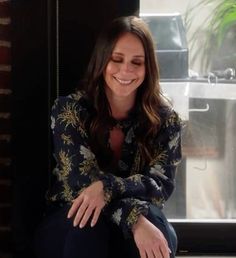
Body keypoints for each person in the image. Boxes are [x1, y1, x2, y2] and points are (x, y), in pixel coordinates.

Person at [34, 15, 182, 258]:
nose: (126, 70)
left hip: (136, 221)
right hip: (69, 223)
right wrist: (135, 221)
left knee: (157, 227)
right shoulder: (69, 111)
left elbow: (159, 187)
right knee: (88, 223)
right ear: (102, 60)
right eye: (117, 59)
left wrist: (106, 187)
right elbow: (82, 188)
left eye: (137, 62)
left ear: (148, 68)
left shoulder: (166, 120)